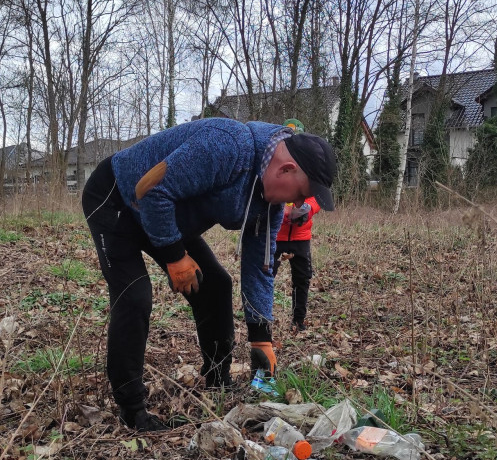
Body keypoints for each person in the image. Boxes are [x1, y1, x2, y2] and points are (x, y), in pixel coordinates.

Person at [81, 117, 337, 432]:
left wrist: (261, 338)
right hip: (117, 197)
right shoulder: (228, 146)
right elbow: (151, 190)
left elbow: (260, 267)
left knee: (215, 285)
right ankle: (132, 409)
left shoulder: (268, 204)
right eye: (301, 193)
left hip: (166, 216)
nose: (298, 203)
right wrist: (174, 256)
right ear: (286, 169)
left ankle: (218, 380)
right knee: (134, 296)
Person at [272, 120, 320, 332]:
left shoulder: (310, 163)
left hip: (301, 236)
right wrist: (282, 211)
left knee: (302, 279)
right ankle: (262, 319)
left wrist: (307, 209)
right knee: (266, 277)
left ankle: (298, 321)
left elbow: (317, 195)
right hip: (277, 235)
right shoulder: (276, 162)